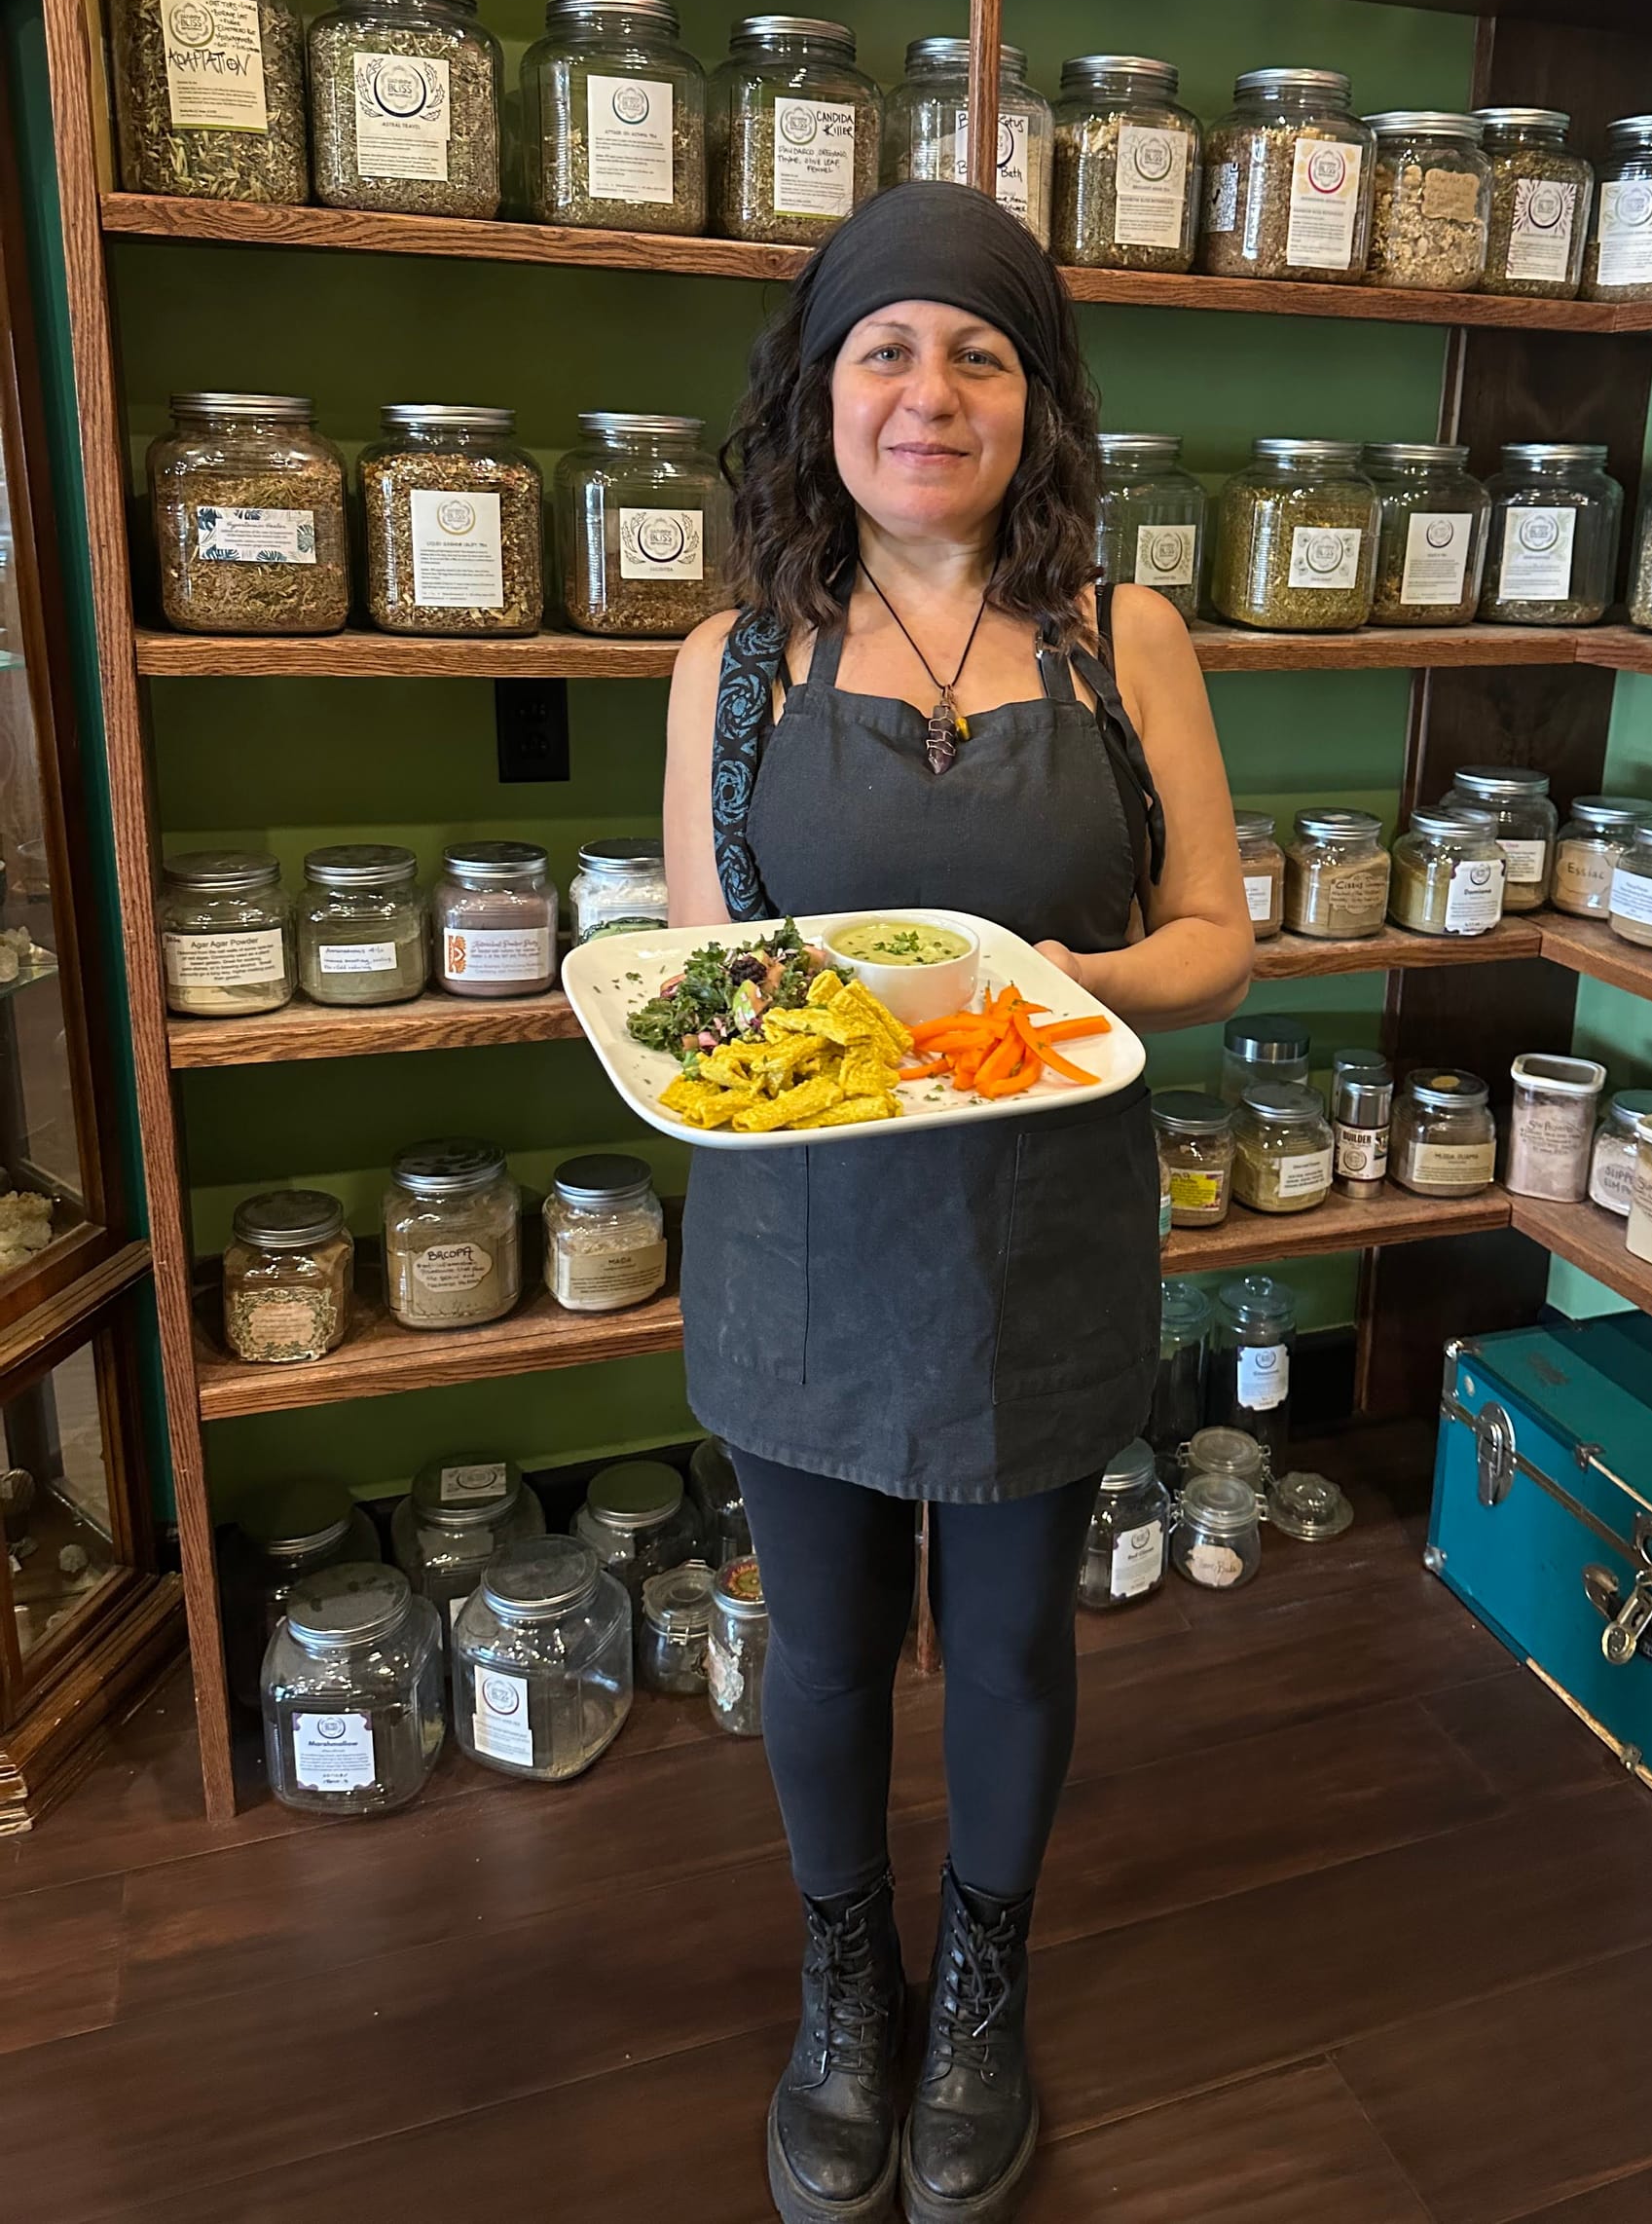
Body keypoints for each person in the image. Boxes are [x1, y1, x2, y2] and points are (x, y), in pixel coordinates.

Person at [664, 179, 1252, 2224]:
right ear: (820, 393)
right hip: (800, 1240)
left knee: (1005, 1642)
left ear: (1036, 397)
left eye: (978, 352)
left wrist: (1048, 987)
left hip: (1039, 1218)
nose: (931, 391)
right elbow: (701, 979)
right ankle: (850, 1981)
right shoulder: (731, 662)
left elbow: (1211, 942)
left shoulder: (1127, 638)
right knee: (820, 1644)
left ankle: (981, 1979)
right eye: (887, 350)